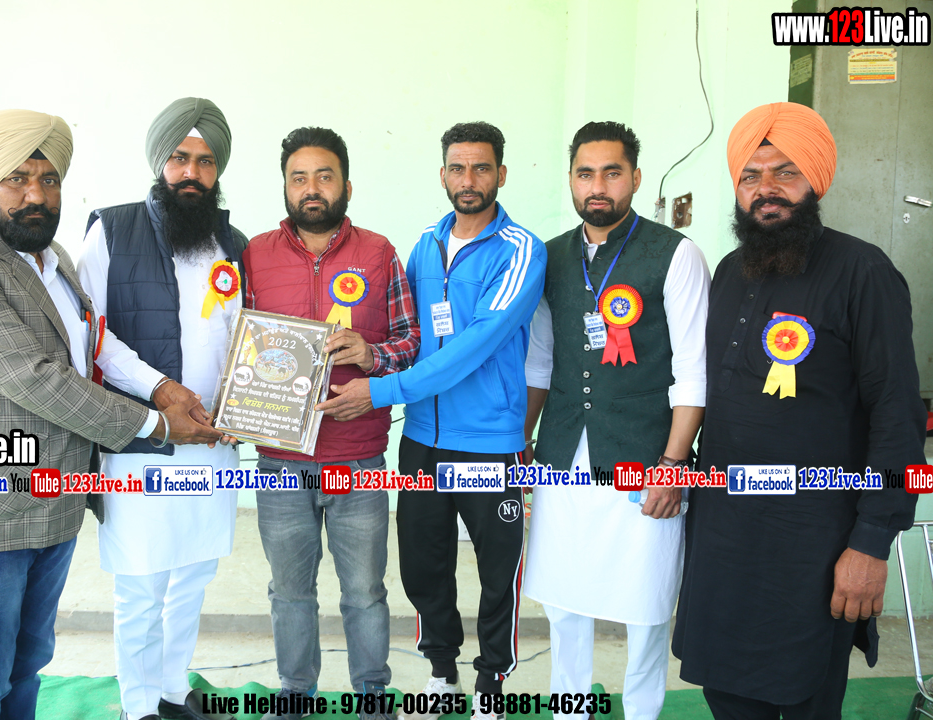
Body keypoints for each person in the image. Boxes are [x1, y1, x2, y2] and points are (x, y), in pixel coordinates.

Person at [0, 109, 220, 720]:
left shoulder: (54, 260)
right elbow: (37, 379)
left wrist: (162, 388)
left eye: (48, 180)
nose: (36, 195)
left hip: (52, 508)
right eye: (16, 179)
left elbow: (93, 341)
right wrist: (158, 425)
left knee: (26, 669)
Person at [671, 102, 925, 720]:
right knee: (726, 695)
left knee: (806, 697)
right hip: (724, 536)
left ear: (816, 179)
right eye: (751, 176)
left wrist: (871, 544)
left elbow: (897, 416)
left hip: (813, 541)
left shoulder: (864, 272)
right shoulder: (729, 272)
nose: (766, 190)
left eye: (785, 173)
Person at [321, 121, 547, 720]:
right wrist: (363, 354)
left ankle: (491, 683)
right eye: (457, 168)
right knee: (424, 563)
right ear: (442, 174)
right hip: (422, 439)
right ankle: (442, 674)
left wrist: (381, 390)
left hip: (490, 444)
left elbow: (472, 348)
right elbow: (410, 335)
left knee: (498, 569)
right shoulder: (424, 245)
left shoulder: (522, 250)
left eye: (481, 168)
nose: (468, 180)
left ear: (501, 174)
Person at [521, 121, 710, 720]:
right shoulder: (550, 256)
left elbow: (694, 371)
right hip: (561, 457)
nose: (597, 186)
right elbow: (540, 361)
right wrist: (521, 442)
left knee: (645, 606)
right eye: (585, 173)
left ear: (635, 176)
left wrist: (674, 465)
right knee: (565, 603)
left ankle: (643, 712)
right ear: (570, 180)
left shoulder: (675, 254)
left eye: (612, 172)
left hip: (646, 458)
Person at [243, 127, 420, 720]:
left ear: (346, 185)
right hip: (279, 461)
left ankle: (372, 692)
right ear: (285, 186)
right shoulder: (255, 255)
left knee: (365, 591)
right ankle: (296, 692)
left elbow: (411, 342)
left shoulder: (379, 253)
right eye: (299, 178)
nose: (311, 188)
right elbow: (237, 346)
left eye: (324, 176)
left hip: (358, 456)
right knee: (289, 590)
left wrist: (371, 355)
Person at [77, 97, 246, 720]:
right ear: (159, 162)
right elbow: (90, 329)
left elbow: (242, 336)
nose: (191, 173)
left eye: (205, 161)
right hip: (143, 438)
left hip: (214, 442)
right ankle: (139, 704)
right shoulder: (112, 229)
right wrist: (158, 388)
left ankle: (174, 689)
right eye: (179, 158)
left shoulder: (232, 242)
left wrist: (247, 403)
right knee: (142, 581)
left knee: (194, 573)